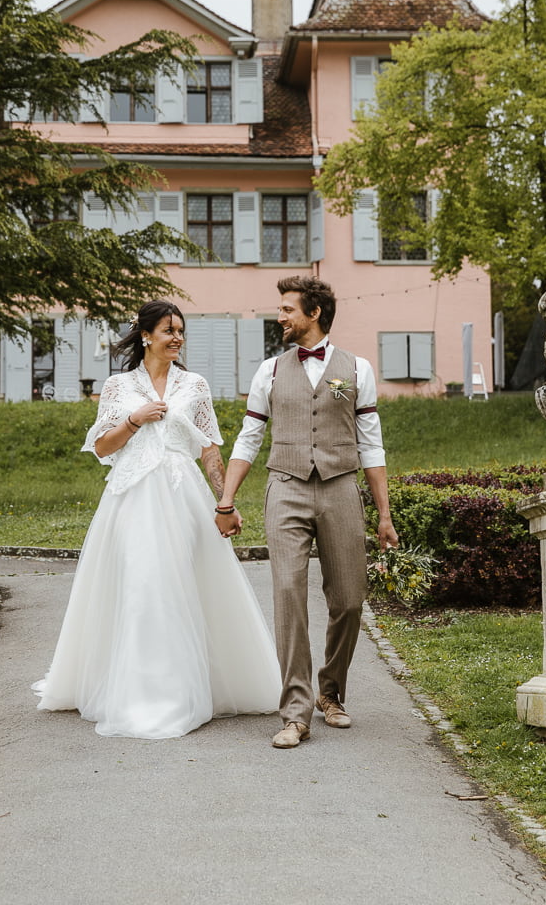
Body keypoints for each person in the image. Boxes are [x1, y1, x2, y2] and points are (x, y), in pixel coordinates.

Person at [33, 300, 280, 739]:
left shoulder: (195, 385)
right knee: (143, 585)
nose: (177, 337)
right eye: (169, 330)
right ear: (146, 335)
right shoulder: (117, 386)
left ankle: (201, 684)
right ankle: (144, 692)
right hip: (132, 498)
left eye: (181, 330)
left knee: (191, 583)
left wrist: (225, 500)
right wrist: (134, 418)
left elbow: (208, 448)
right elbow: (104, 448)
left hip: (183, 494)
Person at [214, 276, 399, 749]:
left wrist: (384, 513)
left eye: (287, 310)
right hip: (286, 488)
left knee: (349, 600)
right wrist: (226, 498)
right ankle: (295, 712)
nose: (280, 318)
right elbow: (249, 438)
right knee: (289, 597)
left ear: (314, 313)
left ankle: (330, 692)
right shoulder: (269, 371)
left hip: (340, 488)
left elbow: (372, 444)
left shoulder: (357, 369)